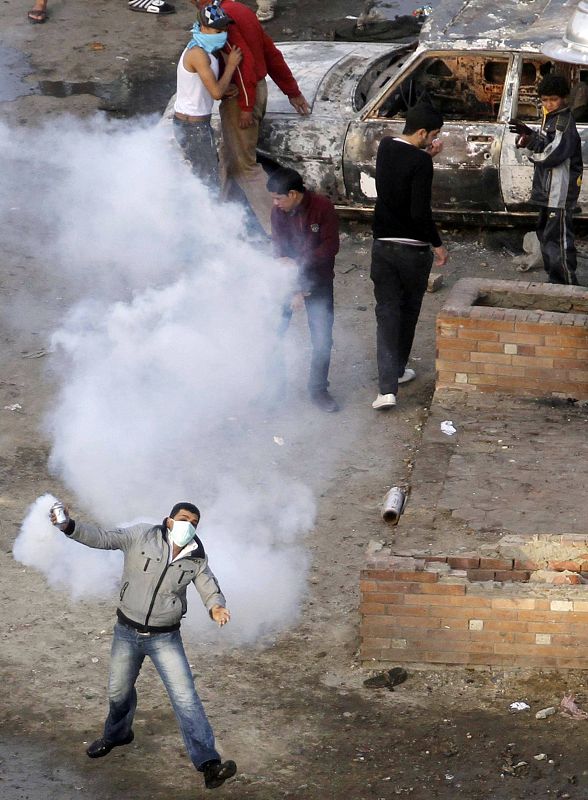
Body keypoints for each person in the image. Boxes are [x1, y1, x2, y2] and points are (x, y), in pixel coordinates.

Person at [49, 500, 236, 791]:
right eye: (185, 519)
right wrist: (68, 526)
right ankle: (117, 734)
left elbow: (208, 585)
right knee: (118, 691)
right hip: (127, 631)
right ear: (170, 520)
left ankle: (209, 764)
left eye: (195, 523)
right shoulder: (141, 535)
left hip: (165, 637)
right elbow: (103, 538)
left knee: (186, 699)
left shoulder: (196, 557)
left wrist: (216, 607)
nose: (190, 526)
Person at [198, 0, 310, 236]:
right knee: (230, 160)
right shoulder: (240, 9)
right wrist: (292, 90)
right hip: (255, 91)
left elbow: (242, 67)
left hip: (242, 97)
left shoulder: (220, 19)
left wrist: (246, 106)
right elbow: (270, 52)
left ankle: (280, 231)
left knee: (245, 167)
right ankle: (219, 221)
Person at [370, 102, 448, 411]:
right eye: (433, 135)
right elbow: (419, 212)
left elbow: (402, 172)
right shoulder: (421, 162)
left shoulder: (386, 147)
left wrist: (425, 154)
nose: (434, 140)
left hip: (382, 247)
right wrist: (438, 244)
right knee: (408, 311)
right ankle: (399, 369)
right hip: (412, 250)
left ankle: (386, 389)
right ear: (421, 132)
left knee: (387, 313)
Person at [268, 167, 340, 413]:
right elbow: (278, 248)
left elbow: (330, 247)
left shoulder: (322, 207)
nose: (276, 204)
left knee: (322, 338)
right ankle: (275, 388)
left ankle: (318, 389)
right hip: (286, 281)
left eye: (278, 198)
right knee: (273, 332)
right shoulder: (278, 213)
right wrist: (293, 286)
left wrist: (300, 268)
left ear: (293, 194)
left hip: (319, 281)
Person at [511, 74, 583, 285]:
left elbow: (550, 155)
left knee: (558, 240)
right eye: (545, 100)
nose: (549, 104)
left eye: (553, 99)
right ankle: (555, 280)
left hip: (558, 193)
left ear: (564, 99)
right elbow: (546, 141)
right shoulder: (549, 117)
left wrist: (530, 146)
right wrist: (530, 134)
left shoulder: (563, 122)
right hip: (547, 190)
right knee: (545, 235)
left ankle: (567, 286)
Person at [174, 2, 242, 188]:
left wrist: (226, 86)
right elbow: (216, 93)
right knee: (207, 180)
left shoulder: (207, 49)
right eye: (217, 31)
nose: (222, 35)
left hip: (195, 124)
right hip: (192, 126)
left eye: (224, 30)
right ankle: (207, 215)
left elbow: (205, 86)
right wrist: (230, 66)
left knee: (204, 175)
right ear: (203, 28)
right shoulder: (198, 54)